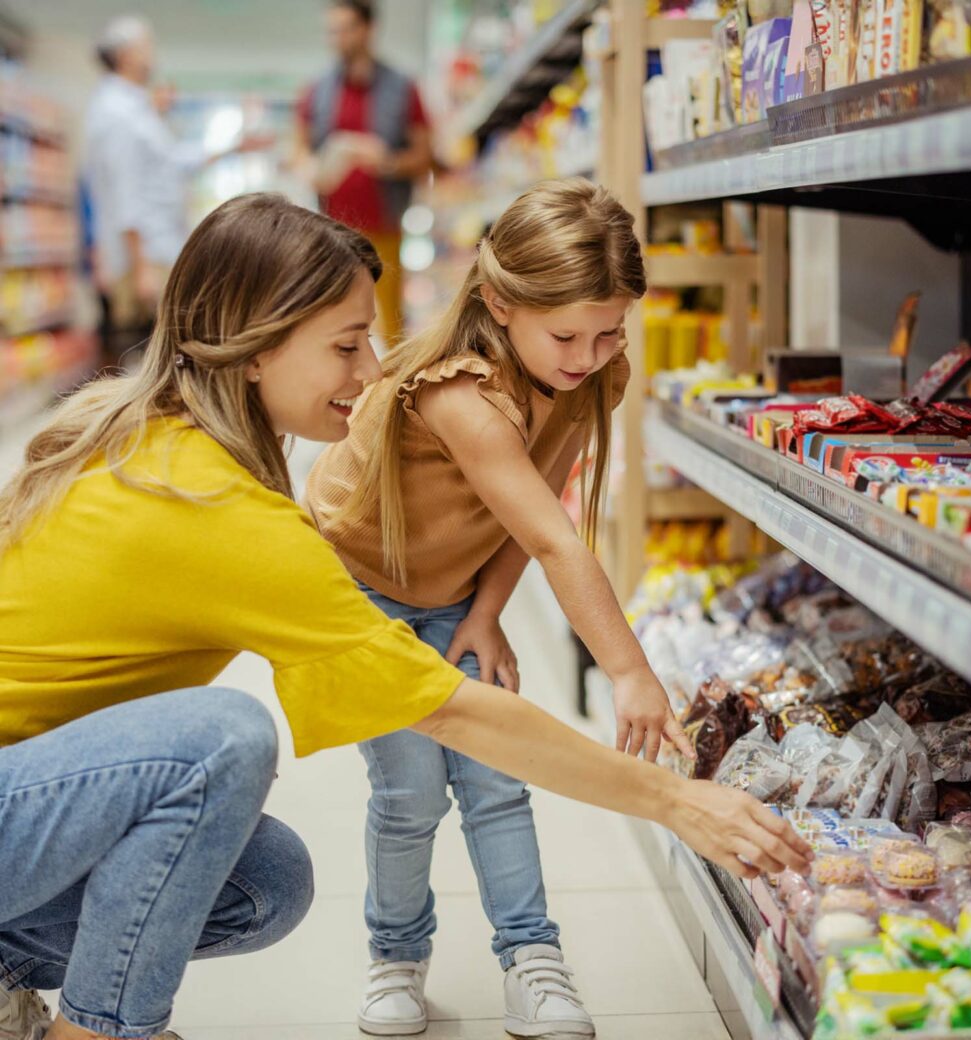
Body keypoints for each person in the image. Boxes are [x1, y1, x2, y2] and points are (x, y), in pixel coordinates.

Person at [0, 193, 810, 1040]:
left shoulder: (156, 440)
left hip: (25, 797)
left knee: (267, 882)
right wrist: (675, 802)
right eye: (347, 345)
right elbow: (453, 710)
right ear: (252, 349)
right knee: (223, 740)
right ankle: (95, 1031)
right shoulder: (212, 502)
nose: (371, 369)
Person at [305, 179, 702, 1038]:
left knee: (498, 780)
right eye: (566, 334)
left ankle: (532, 957)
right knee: (410, 794)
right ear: (498, 302)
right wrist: (630, 673)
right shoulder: (459, 397)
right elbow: (561, 539)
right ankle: (397, 957)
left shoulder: (590, 375)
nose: (589, 354)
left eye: (610, 332)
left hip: (453, 586)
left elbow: (532, 510)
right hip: (359, 592)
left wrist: (485, 612)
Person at [83, 15, 266, 366]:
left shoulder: (136, 108)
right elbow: (126, 191)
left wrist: (234, 147)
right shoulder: (116, 112)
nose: (153, 55)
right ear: (124, 55)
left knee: (163, 349)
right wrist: (140, 266)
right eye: (146, 46)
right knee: (150, 352)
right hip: (145, 252)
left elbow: (173, 163)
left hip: (158, 247)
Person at [295, 0, 433, 347]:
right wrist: (309, 167)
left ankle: (392, 395)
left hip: (384, 225)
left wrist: (385, 161)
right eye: (332, 31)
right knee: (335, 319)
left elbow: (423, 157)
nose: (338, 38)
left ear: (368, 29)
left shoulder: (402, 88)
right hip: (333, 228)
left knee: (390, 323)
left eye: (346, 28)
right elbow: (297, 149)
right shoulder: (317, 90)